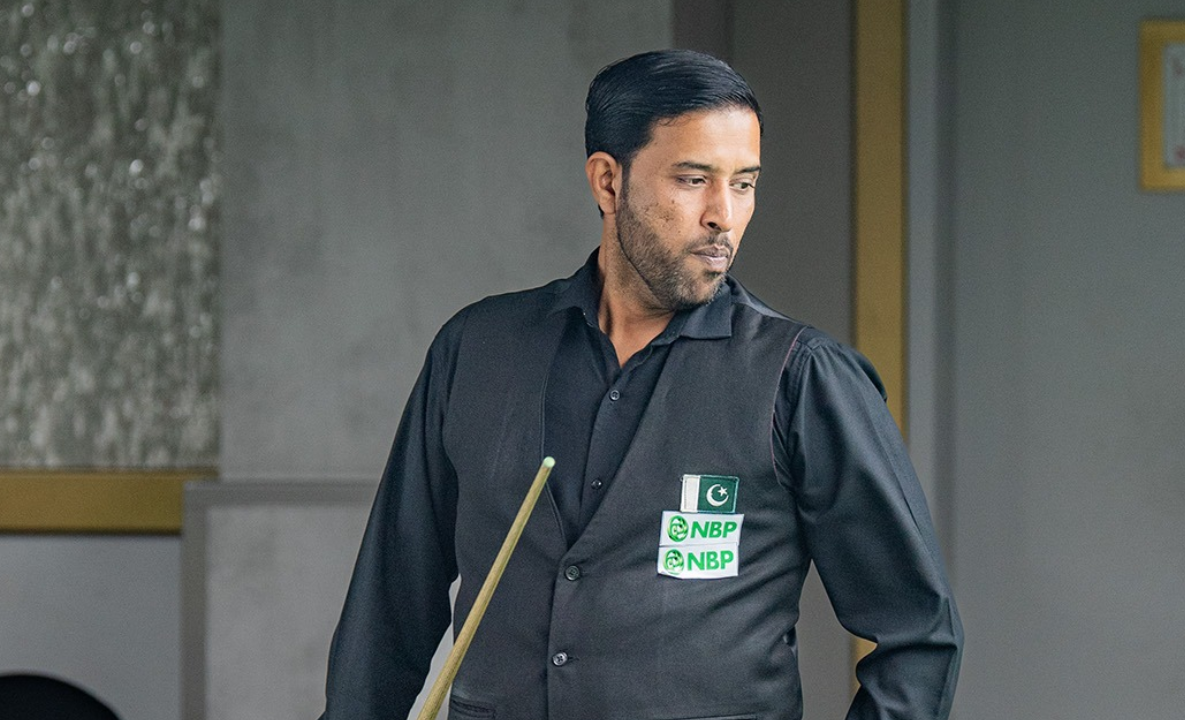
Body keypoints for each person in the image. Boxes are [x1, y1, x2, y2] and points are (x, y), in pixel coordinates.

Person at [319, 49, 962, 720]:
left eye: (743, 183)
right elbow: (389, 607)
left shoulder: (803, 378)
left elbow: (918, 637)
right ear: (608, 182)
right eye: (693, 179)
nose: (723, 215)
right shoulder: (477, 351)